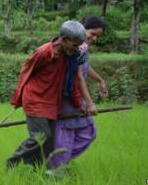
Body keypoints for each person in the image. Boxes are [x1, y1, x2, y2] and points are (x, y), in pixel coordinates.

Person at [6, 21, 86, 170]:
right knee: (40, 137)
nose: (77, 49)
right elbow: (26, 72)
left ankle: (33, 171)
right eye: (74, 45)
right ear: (64, 40)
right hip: (35, 99)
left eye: (79, 45)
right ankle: (12, 163)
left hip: (52, 103)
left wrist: (79, 105)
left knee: (49, 143)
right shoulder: (43, 52)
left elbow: (73, 81)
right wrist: (18, 99)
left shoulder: (71, 56)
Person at [51, 15, 107, 170]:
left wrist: (100, 80)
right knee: (66, 133)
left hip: (76, 96)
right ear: (83, 29)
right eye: (93, 33)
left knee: (88, 131)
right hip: (68, 96)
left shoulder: (82, 48)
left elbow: (85, 68)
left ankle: (59, 161)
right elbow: (79, 77)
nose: (95, 38)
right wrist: (90, 103)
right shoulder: (78, 47)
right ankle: (57, 165)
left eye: (98, 36)